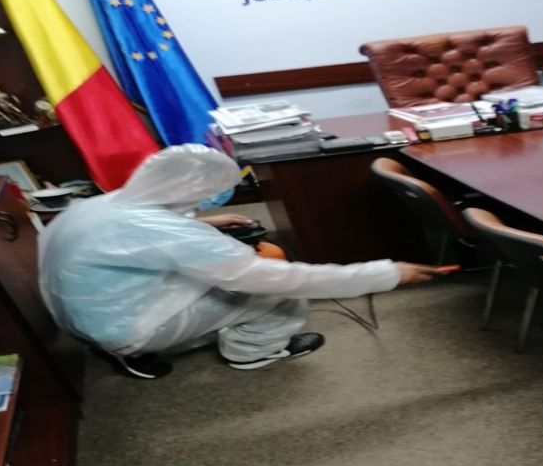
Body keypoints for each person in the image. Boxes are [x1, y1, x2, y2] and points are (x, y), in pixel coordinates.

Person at [38, 144, 442, 379]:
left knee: (216, 277)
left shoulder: (101, 203)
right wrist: (384, 274)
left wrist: (204, 222)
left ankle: (127, 353)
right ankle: (253, 353)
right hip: (125, 326)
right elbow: (274, 279)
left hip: (83, 320)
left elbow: (137, 237)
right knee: (275, 291)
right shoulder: (165, 230)